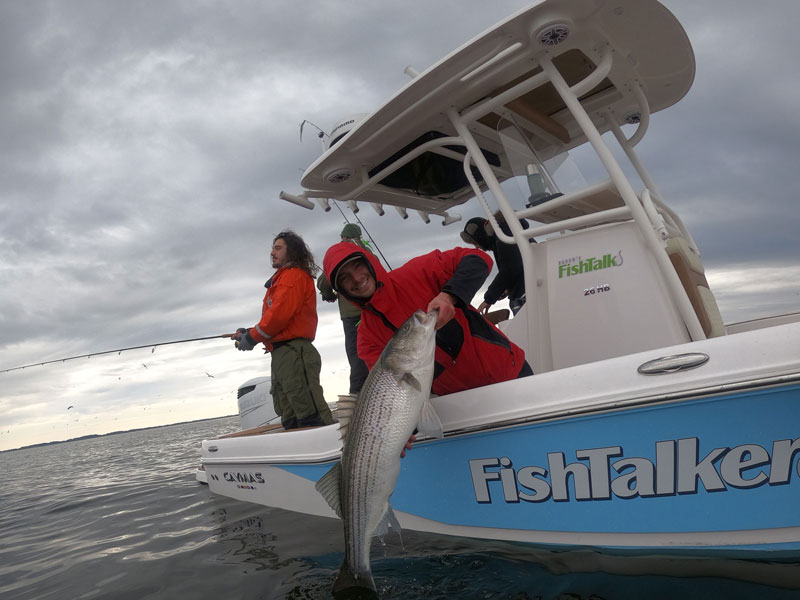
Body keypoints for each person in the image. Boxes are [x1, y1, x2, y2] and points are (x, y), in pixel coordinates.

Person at [322, 242, 531, 398]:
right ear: (341, 290)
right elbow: (395, 393)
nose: (356, 278)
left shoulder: (417, 273)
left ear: (370, 263)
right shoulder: (367, 339)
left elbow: (477, 258)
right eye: (345, 278)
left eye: (358, 266)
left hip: (510, 373)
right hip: (459, 404)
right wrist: (402, 434)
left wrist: (449, 295)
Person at [234, 230, 334, 430]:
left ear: (292, 251)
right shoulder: (281, 280)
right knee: (289, 412)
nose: (272, 252)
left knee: (308, 411)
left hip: (294, 353)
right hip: (282, 354)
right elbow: (274, 319)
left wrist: (252, 338)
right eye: (272, 248)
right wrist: (249, 332)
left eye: (278, 248)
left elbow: (278, 316)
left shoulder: (292, 277)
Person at [317, 223, 370, 395]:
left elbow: (324, 282)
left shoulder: (339, 255)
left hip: (352, 317)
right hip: (373, 311)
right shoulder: (369, 255)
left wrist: (329, 294)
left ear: (344, 238)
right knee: (376, 354)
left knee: (357, 359)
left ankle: (356, 399)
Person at [460, 214, 533, 315]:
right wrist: (505, 288)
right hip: (533, 288)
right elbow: (520, 264)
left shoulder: (502, 233)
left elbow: (511, 268)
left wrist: (489, 298)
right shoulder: (511, 231)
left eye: (475, 242)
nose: (477, 246)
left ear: (480, 236)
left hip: (526, 295)